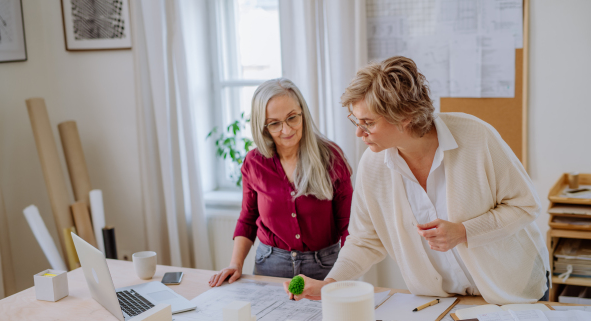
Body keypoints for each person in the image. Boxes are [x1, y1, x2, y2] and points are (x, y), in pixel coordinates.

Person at [284, 56, 549, 305]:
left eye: (368, 123)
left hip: (512, 294)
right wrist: (330, 283)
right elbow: (364, 240)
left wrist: (464, 232)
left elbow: (525, 206)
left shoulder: (477, 138)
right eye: (356, 120)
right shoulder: (373, 165)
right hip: (441, 302)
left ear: (404, 117)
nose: (359, 132)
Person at [209, 78, 353, 287]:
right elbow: (248, 218)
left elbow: (348, 225)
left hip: (325, 267)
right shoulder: (254, 163)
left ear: (302, 113)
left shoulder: (332, 158)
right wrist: (235, 264)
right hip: (270, 265)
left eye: (292, 118)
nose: (286, 130)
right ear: (263, 126)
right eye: (275, 123)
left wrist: (343, 276)